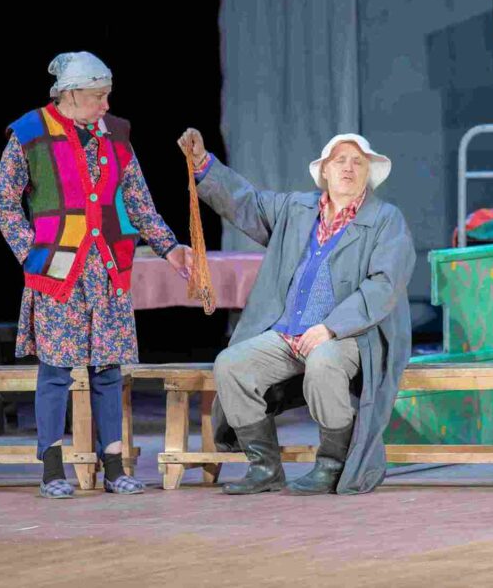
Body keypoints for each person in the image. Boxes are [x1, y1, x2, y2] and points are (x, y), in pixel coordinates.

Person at [0, 52, 191, 498]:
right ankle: (51, 471)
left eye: (107, 96)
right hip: (58, 273)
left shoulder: (116, 134)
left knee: (107, 371)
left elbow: (139, 202)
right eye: (98, 96)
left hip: (106, 270)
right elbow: (4, 202)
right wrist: (31, 254)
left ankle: (115, 468)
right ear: (70, 94)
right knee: (55, 373)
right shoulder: (30, 133)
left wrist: (170, 246)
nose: (106, 105)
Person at [177, 129, 415, 495]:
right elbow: (247, 203)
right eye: (340, 161)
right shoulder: (296, 210)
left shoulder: (385, 219)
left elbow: (384, 284)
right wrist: (203, 164)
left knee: (323, 361)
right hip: (288, 332)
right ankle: (264, 467)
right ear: (324, 171)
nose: (348, 168)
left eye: (358, 162)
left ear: (368, 173)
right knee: (232, 365)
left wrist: (331, 328)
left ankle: (332, 465)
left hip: (352, 335)